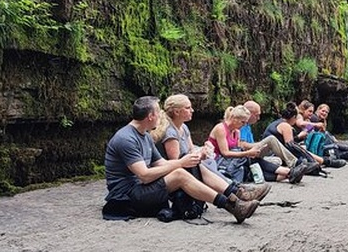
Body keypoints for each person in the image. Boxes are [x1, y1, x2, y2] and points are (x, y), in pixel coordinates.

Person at [102, 96, 258, 224]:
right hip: (127, 196)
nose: (161, 116)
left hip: (142, 187)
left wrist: (190, 159)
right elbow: (144, 175)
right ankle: (232, 206)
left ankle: (235, 193)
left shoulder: (145, 135)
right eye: (158, 112)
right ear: (150, 116)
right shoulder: (126, 139)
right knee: (179, 174)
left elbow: (162, 164)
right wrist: (181, 163)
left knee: (188, 163)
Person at [151, 94, 270, 201]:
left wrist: (203, 151)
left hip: (191, 165)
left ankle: (236, 190)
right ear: (177, 112)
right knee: (205, 164)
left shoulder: (184, 128)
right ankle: (236, 191)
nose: (192, 110)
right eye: (188, 108)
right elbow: (177, 162)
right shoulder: (170, 133)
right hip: (175, 172)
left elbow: (191, 150)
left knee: (209, 162)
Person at [207, 105, 303, 183]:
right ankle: (289, 172)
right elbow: (225, 153)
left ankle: (287, 175)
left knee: (252, 165)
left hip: (234, 162)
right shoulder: (220, 129)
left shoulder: (237, 132)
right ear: (233, 118)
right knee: (251, 161)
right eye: (243, 122)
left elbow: (238, 149)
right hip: (219, 162)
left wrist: (250, 153)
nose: (244, 125)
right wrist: (247, 153)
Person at [264, 102, 346, 169]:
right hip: (272, 153)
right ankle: (326, 161)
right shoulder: (285, 126)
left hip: (277, 150)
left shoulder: (280, 122)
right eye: (309, 111)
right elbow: (291, 146)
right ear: (293, 117)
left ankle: (328, 160)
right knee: (300, 148)